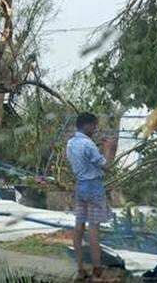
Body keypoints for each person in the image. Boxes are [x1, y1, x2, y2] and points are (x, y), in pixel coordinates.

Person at [66, 112, 115, 281]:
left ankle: (80, 269)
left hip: (80, 186)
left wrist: (100, 149)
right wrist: (109, 149)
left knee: (78, 228)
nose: (94, 129)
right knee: (94, 231)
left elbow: (88, 162)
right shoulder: (88, 144)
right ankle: (97, 274)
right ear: (86, 125)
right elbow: (106, 165)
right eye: (93, 126)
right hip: (94, 187)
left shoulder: (71, 143)